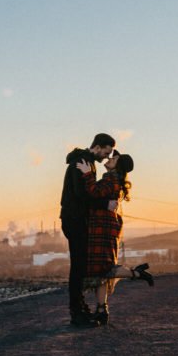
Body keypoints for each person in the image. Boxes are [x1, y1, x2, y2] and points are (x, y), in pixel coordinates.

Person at [76, 151, 153, 326]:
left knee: (105, 268)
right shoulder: (113, 179)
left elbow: (93, 192)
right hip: (104, 227)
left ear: (118, 165)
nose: (109, 159)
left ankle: (136, 273)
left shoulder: (111, 180)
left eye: (113, 158)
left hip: (103, 228)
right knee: (101, 273)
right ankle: (102, 310)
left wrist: (87, 173)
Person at [60, 133, 115, 326]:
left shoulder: (88, 162)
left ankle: (81, 310)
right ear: (98, 146)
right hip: (74, 219)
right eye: (106, 152)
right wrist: (105, 203)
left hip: (77, 219)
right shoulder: (82, 161)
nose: (106, 157)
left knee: (81, 267)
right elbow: (81, 194)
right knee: (78, 268)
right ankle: (77, 314)